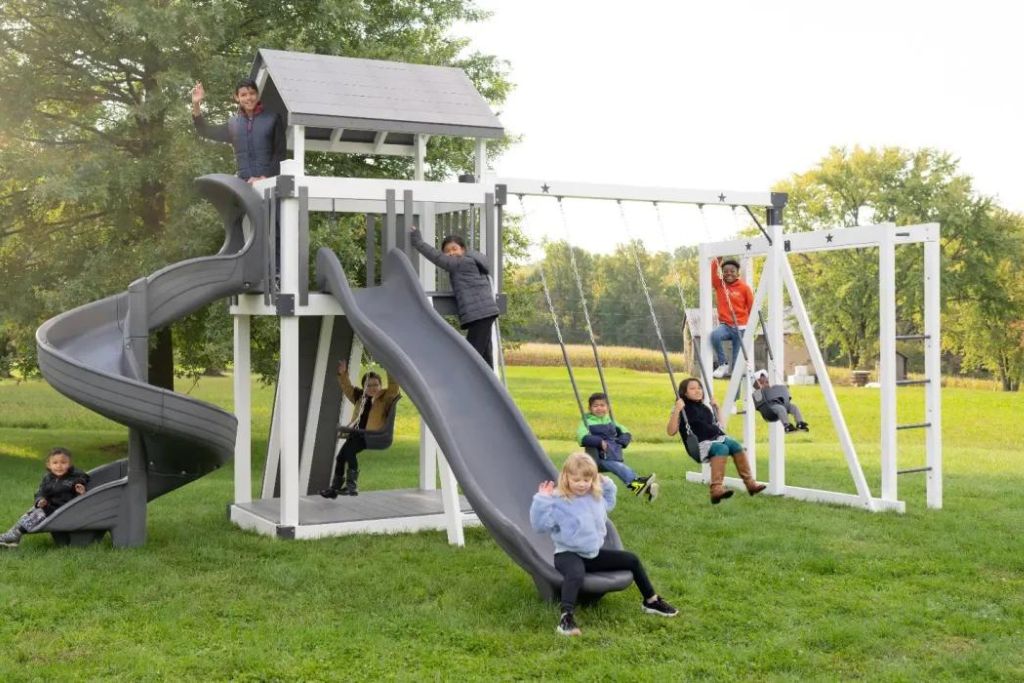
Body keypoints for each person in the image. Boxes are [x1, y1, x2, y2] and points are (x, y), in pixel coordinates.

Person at [530, 453, 678, 636]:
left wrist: (606, 483)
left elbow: (609, 502)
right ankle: (566, 617)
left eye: (587, 479)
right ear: (565, 477)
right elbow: (539, 525)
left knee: (632, 560)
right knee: (576, 573)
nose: (582, 484)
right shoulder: (557, 500)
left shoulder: (594, 497)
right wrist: (542, 499)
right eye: (576, 479)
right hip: (567, 554)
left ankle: (651, 601)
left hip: (592, 554)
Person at [409, 229, 500, 367]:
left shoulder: (462, 262)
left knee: (471, 356)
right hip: (485, 313)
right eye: (447, 251)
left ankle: (470, 384)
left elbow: (437, 257)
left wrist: (418, 242)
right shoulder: (471, 261)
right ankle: (490, 386)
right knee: (484, 355)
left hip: (480, 314)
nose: (451, 253)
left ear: (463, 249)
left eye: (454, 249)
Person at [667, 378, 766, 504]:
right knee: (722, 448)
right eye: (692, 388)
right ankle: (716, 490)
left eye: (699, 388)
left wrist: (717, 408)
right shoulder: (682, 408)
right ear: (684, 393)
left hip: (716, 439)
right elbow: (671, 431)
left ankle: (750, 484)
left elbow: (721, 428)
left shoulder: (705, 408)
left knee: (735, 444)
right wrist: (677, 409)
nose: (697, 391)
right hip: (700, 446)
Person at [320, 360, 401, 498]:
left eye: (376, 385)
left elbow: (394, 386)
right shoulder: (359, 397)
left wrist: (388, 365)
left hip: (370, 435)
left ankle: (351, 486)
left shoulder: (384, 398)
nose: (372, 388)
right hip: (356, 433)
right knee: (340, 458)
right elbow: (347, 387)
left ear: (380, 385)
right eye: (368, 385)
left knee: (350, 453)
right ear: (364, 387)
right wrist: (342, 373)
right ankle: (334, 490)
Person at [191, 79, 286, 183]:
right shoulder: (233, 124)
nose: (248, 98)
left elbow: (280, 154)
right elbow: (204, 131)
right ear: (237, 97)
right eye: (243, 95)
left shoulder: (273, 119)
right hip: (244, 188)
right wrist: (196, 104)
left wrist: (264, 178)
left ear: (257, 95)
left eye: (252, 93)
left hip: (269, 186)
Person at [0, 447, 90, 548]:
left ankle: (16, 534)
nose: (59, 466)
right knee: (31, 512)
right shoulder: (48, 478)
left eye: (63, 462)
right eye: (55, 463)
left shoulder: (73, 478)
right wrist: (40, 500)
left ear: (69, 464)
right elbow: (41, 492)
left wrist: (81, 487)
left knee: (38, 514)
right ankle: (13, 534)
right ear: (49, 465)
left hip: (63, 510)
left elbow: (84, 477)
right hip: (49, 507)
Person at [576, 392, 658, 501]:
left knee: (620, 467)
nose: (599, 408)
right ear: (590, 408)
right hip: (596, 457)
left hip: (611, 454)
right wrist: (599, 441)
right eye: (595, 406)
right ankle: (639, 484)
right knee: (620, 467)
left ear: (608, 407)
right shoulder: (587, 422)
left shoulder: (610, 421)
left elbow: (626, 432)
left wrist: (622, 441)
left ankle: (647, 489)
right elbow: (581, 437)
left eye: (602, 405)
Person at [710, 257, 754, 378]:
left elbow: (751, 308)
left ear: (737, 273)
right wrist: (717, 259)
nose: (729, 273)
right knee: (715, 335)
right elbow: (712, 274)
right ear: (722, 273)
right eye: (726, 271)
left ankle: (735, 396)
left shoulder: (744, 288)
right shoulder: (720, 285)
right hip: (726, 325)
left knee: (736, 364)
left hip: (741, 327)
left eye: (732, 271)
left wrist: (750, 328)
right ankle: (723, 363)